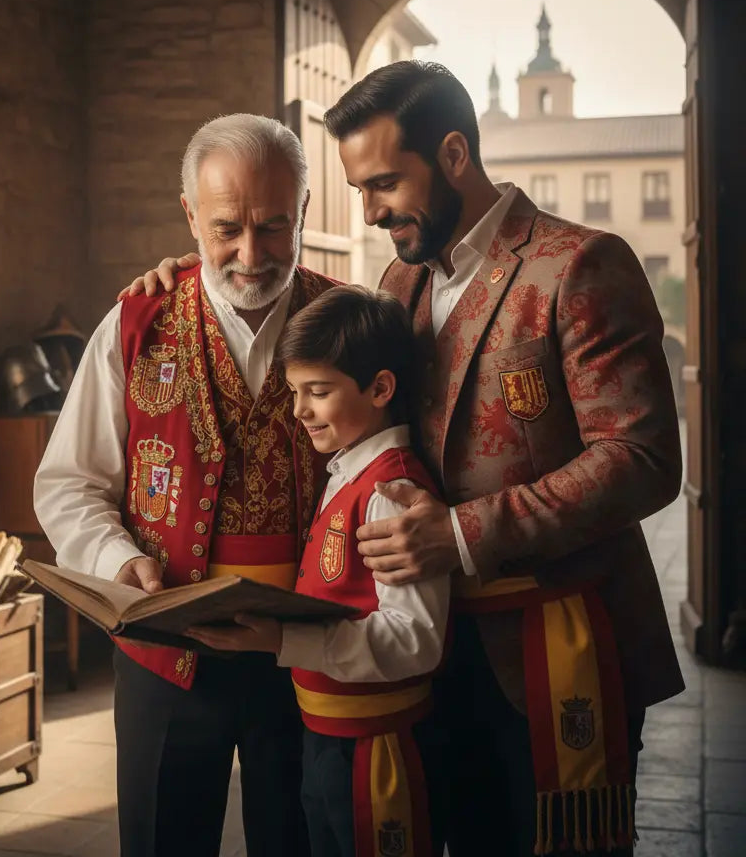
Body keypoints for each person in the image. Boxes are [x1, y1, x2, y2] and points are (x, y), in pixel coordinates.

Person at [125, 61, 684, 857]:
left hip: (554, 645)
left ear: (454, 154)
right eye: (357, 189)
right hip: (426, 661)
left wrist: (458, 535)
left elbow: (642, 458)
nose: (371, 209)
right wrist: (194, 275)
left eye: (385, 182)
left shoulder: (579, 264)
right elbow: (312, 332)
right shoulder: (397, 278)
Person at [34, 113, 339, 857]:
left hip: (308, 650)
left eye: (273, 227)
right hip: (164, 654)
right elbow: (70, 481)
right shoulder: (135, 322)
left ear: (303, 211)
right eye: (226, 227)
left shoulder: (345, 323)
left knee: (303, 839)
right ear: (190, 215)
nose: (248, 253)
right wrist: (116, 563)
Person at [187, 285, 450, 857]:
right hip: (327, 733)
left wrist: (283, 638)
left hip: (377, 744)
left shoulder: (391, 492)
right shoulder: (347, 471)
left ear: (380, 388)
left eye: (319, 392)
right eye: (296, 391)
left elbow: (415, 640)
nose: (300, 409)